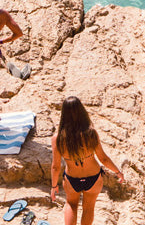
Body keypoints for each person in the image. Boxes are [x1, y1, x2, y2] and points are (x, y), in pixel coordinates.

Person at [51, 96, 125, 225]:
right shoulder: (90, 133)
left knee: (71, 204)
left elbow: (55, 166)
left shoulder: (58, 138)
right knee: (89, 207)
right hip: (93, 178)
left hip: (72, 179)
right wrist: (118, 172)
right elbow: (103, 158)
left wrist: (53, 186)